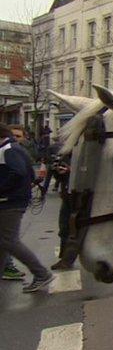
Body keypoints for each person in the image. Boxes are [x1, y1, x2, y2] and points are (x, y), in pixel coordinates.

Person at [0, 122, 54, 293]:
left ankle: (41, 274)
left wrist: (3, 189)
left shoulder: (8, 149)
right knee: (4, 241)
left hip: (9, 201)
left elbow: (20, 172)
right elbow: (30, 173)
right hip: (12, 200)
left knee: (9, 240)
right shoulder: (13, 148)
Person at [49, 157, 76, 270]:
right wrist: (57, 171)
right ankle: (65, 259)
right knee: (64, 227)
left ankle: (67, 259)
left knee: (71, 228)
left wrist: (70, 171)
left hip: (80, 195)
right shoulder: (67, 154)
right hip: (68, 195)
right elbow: (60, 176)